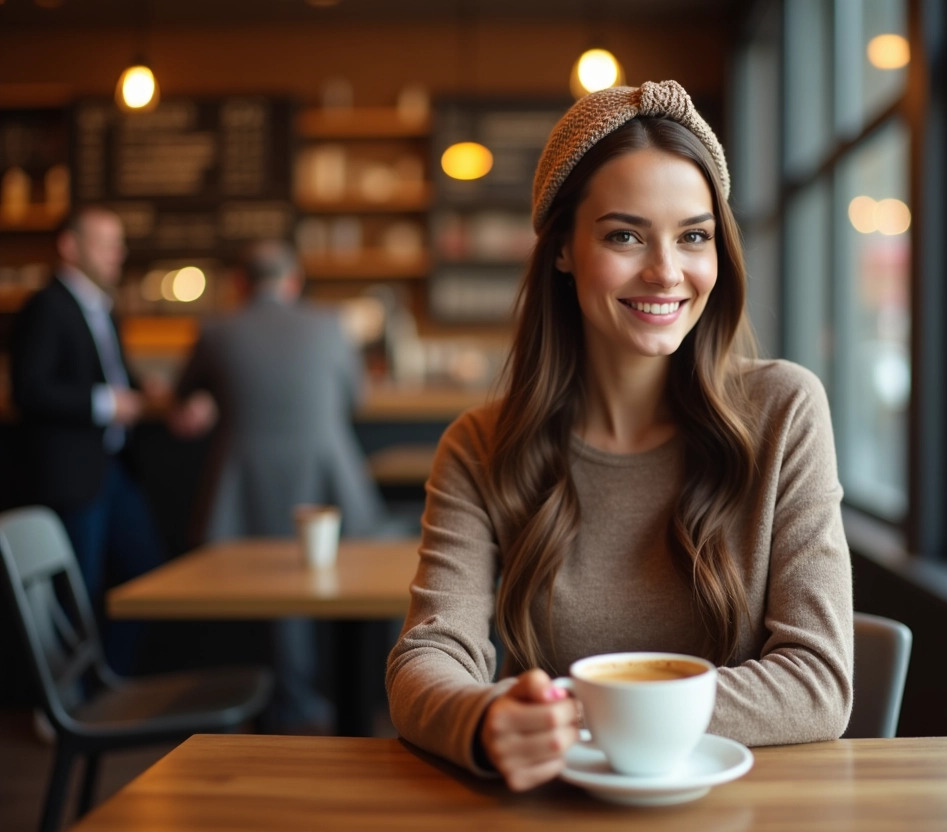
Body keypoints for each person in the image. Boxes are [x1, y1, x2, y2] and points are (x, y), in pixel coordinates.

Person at [385, 80, 853, 790]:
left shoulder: (785, 410)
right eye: (625, 235)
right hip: (554, 808)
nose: (667, 271)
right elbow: (428, 658)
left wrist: (584, 712)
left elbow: (818, 682)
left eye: (693, 236)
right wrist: (485, 721)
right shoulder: (481, 446)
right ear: (565, 249)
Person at [171, 239, 386, 732]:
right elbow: (358, 399)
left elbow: (184, 396)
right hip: (327, 481)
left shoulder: (216, 330)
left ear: (241, 284)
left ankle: (289, 702)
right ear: (294, 282)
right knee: (337, 580)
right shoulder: (332, 325)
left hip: (244, 487)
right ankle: (338, 703)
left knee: (272, 589)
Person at [10, 205, 164, 675]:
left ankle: (106, 678)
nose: (118, 252)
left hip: (113, 467)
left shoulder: (101, 305)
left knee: (146, 572)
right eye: (106, 242)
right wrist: (108, 404)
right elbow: (29, 390)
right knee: (76, 589)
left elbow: (107, 373)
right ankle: (65, 699)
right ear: (70, 246)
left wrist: (145, 391)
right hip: (72, 472)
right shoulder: (45, 305)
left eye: (118, 242)